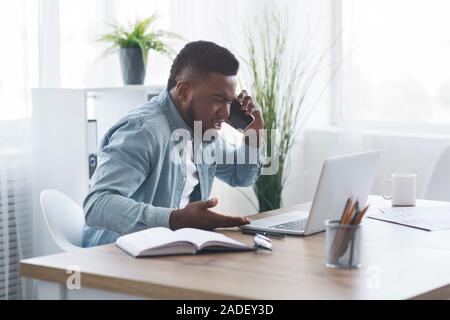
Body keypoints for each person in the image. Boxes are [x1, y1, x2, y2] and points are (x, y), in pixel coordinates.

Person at [82, 40, 265, 247]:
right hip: (118, 255)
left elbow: (241, 176)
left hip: (172, 250)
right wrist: (176, 219)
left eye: (230, 102)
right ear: (184, 91)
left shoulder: (202, 131)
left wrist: (254, 132)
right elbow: (96, 206)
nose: (225, 113)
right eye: (218, 99)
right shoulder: (142, 131)